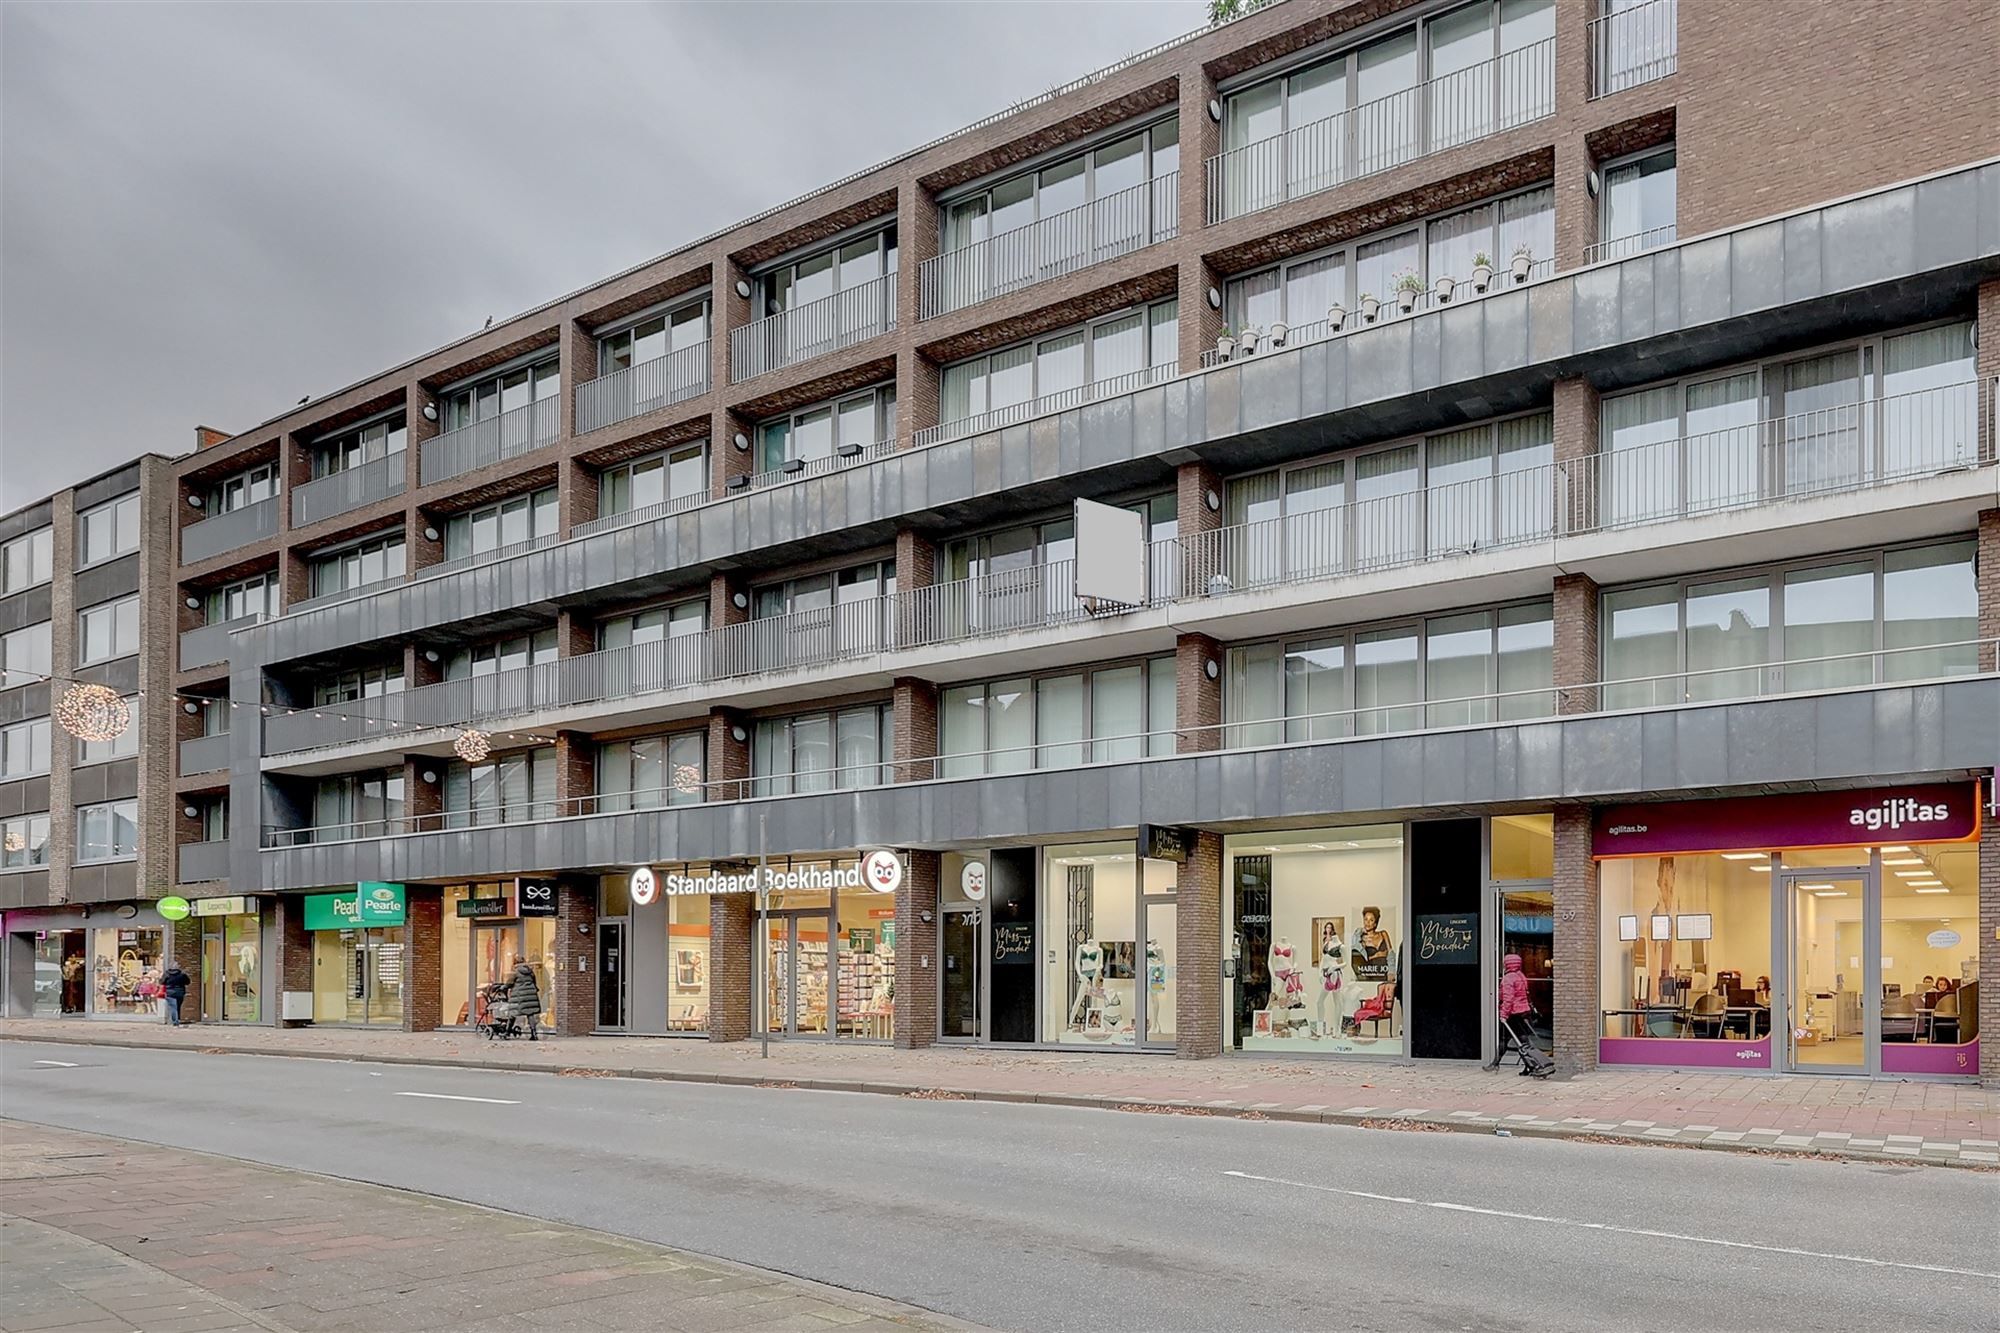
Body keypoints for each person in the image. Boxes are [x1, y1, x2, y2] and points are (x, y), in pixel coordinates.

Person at [1488, 953, 1534, 1071]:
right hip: (1524, 1012)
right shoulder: (1521, 976)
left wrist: (1503, 1015)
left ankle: (1495, 1064)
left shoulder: (1508, 978)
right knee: (1524, 1042)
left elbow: (1508, 999)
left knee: (1504, 1039)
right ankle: (1529, 1066)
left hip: (1513, 1014)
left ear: (1507, 964)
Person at [508, 952, 541, 1041]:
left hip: (519, 995)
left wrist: (502, 987)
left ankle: (507, 1031)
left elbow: (509, 983)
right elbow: (534, 982)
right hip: (530, 994)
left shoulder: (515, 972)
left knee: (512, 1012)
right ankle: (534, 1034)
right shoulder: (530, 971)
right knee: (530, 1014)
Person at [159, 961, 191, 1027]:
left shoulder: (167, 974)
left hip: (170, 992)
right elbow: (188, 982)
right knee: (178, 1006)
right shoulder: (182, 974)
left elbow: (162, 982)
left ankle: (175, 1022)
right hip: (180, 992)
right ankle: (178, 1019)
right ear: (178, 967)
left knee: (173, 1007)